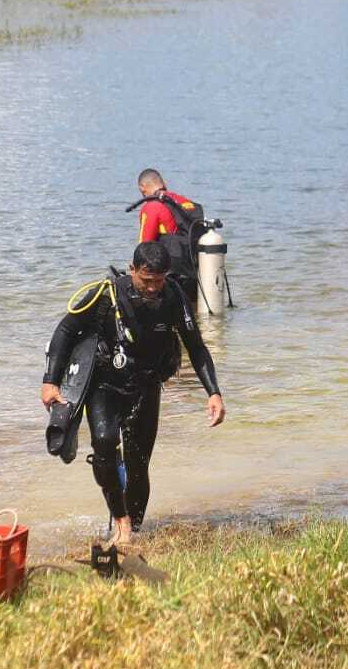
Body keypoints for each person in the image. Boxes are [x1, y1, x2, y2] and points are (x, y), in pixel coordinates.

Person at [40, 241, 225, 546]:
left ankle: (133, 530)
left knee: (138, 466)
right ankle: (121, 520)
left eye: (159, 280)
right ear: (132, 269)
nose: (153, 288)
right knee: (104, 444)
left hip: (146, 386)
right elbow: (64, 331)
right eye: (146, 280)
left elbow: (196, 346)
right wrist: (50, 381)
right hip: (104, 384)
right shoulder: (105, 295)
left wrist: (214, 392)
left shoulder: (173, 296)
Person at [134, 168, 207, 304]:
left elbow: (143, 249)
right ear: (163, 184)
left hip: (171, 278)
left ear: (142, 188)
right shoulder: (185, 202)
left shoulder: (152, 206)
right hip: (196, 274)